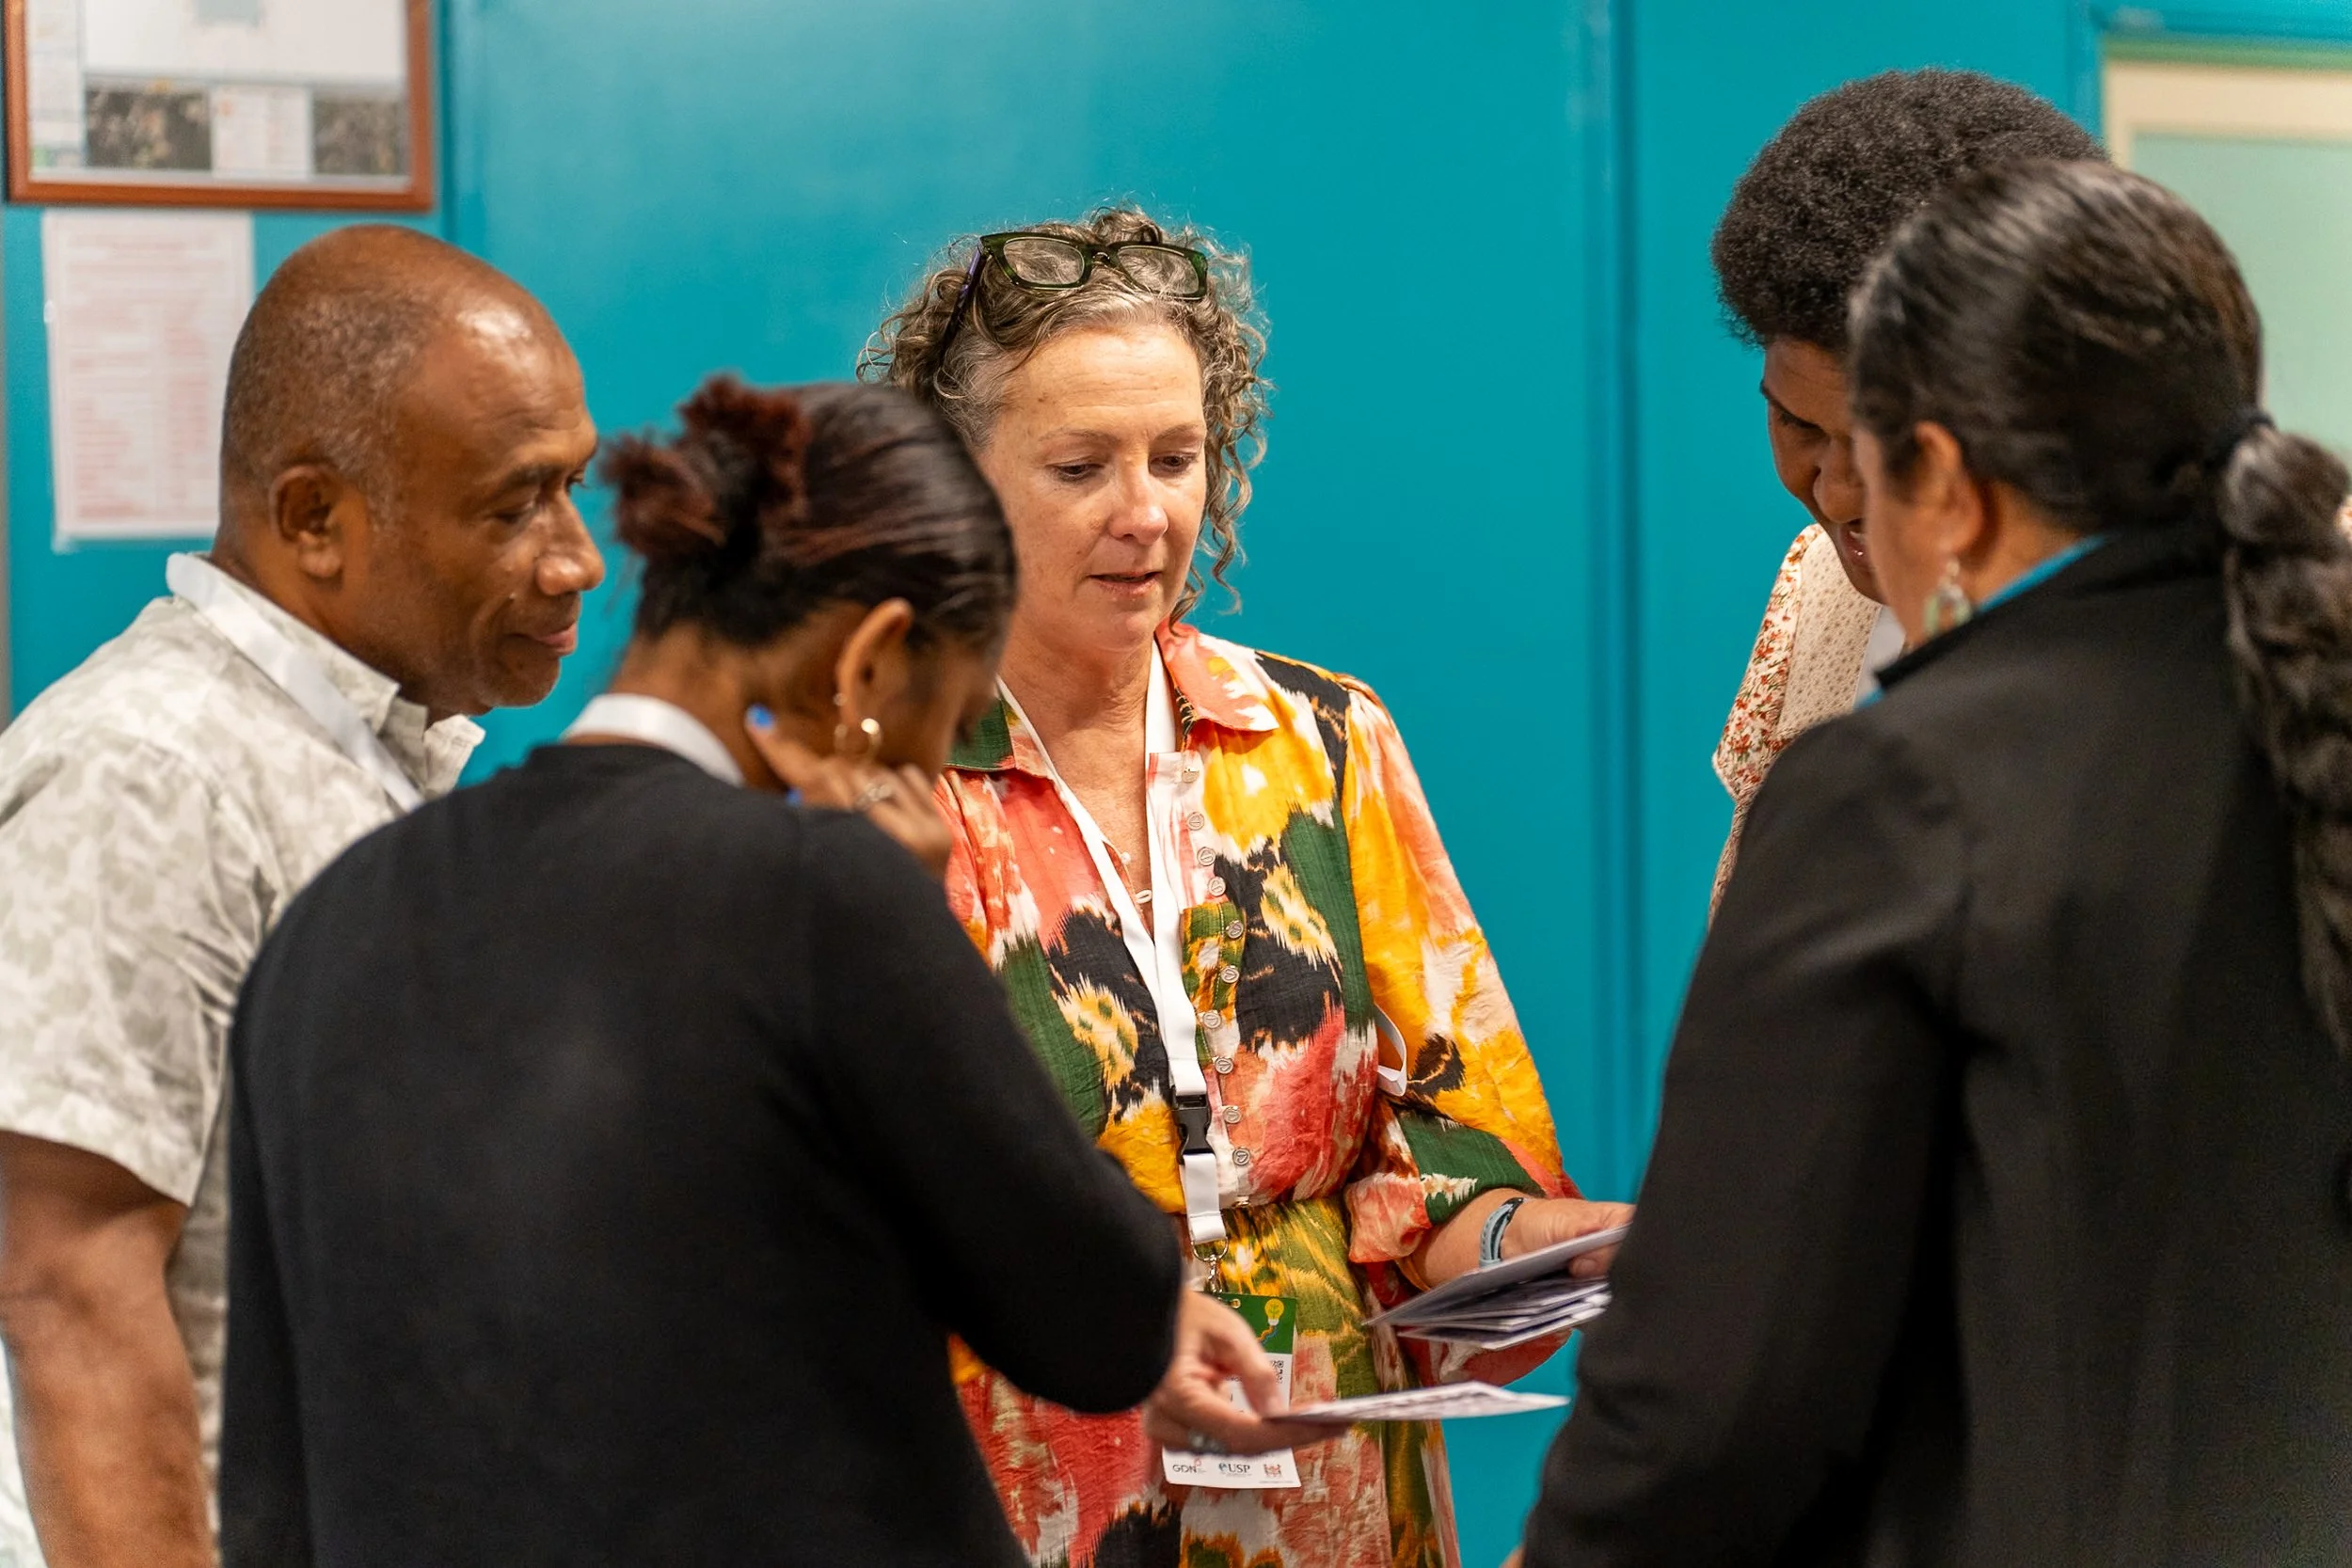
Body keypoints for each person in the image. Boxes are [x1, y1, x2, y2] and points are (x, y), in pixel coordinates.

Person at [219, 375, 1321, 1567]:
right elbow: (1096, 1312)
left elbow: (269, 1461)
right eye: (929, 730)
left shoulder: (332, 919)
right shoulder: (820, 896)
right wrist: (904, 909)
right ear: (865, 670)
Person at [1518, 160, 2352, 1565]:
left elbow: (1713, 1402)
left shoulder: (1897, 794)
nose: (1840, 504)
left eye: (1865, 458)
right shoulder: (2307, 717)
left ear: (1949, 488)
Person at [865, 209, 1628, 1567]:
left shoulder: (1322, 740)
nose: (1146, 512)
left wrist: (1549, 1236)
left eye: (1177, 455)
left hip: (1329, 1482)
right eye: (1080, 465)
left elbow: (1440, 1149)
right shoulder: (878, 772)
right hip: (1017, 1487)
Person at [0, 225, 603, 1567]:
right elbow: (70, 1289)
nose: (578, 560)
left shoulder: (354, 760)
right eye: (515, 505)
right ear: (313, 519)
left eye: (574, 488)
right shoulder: (153, 774)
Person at [1707, 70, 2103, 908]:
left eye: (1889, 448)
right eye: (1798, 428)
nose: (1841, 493)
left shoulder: (2239, 600)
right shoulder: (1813, 592)